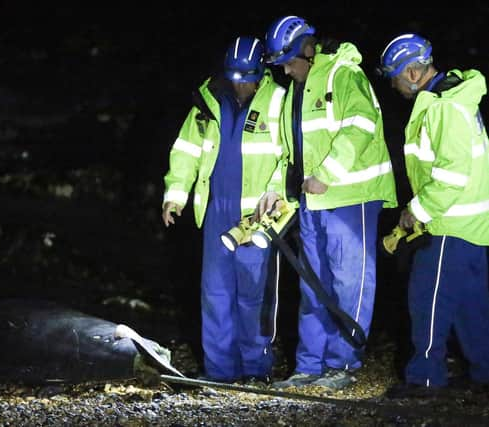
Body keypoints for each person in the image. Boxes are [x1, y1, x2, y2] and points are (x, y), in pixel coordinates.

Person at [257, 15, 398, 390]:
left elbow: (362, 126)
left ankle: (343, 364)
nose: (286, 70)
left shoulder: (344, 76)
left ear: (307, 47)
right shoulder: (294, 93)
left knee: (349, 284)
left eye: (289, 61)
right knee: (312, 286)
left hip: (352, 199)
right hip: (312, 204)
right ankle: (309, 366)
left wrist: (327, 175)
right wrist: (274, 188)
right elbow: (288, 151)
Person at [161, 36, 286, 383]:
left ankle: (256, 370)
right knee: (215, 294)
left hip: (259, 217)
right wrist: (176, 194)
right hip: (216, 211)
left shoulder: (279, 100)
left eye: (247, 77)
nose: (240, 84)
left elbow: (289, 157)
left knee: (254, 296)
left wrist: (276, 194)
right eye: (234, 76)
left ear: (261, 73)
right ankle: (219, 372)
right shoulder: (207, 101)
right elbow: (186, 150)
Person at [378, 33, 489, 397]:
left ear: (412, 72)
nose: (393, 86)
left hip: (448, 224)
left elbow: (451, 176)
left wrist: (415, 212)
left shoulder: (442, 106)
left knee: (428, 301)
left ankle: (424, 380)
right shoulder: (457, 100)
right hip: (473, 225)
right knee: (468, 304)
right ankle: (482, 372)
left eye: (394, 77)